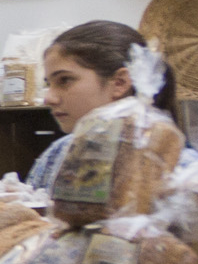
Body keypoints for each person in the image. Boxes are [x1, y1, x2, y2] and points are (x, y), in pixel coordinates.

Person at [28, 20, 180, 190]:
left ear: (119, 83)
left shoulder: (179, 169)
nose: (48, 99)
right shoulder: (57, 154)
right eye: (48, 84)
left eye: (64, 80)